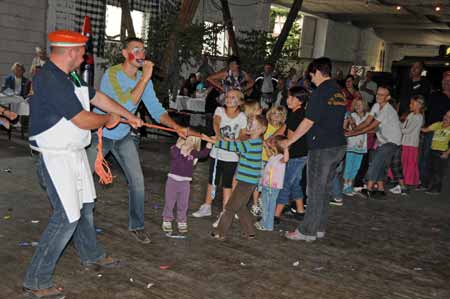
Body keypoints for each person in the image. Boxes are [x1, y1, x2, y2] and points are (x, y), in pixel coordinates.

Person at [23, 30, 143, 299]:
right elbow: (82, 119)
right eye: (82, 51)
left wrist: (126, 116)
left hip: (73, 153)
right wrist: (108, 120)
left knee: (86, 206)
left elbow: (97, 97)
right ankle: (36, 281)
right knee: (66, 218)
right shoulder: (50, 78)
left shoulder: (70, 76)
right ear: (71, 52)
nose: (84, 56)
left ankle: (91, 254)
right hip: (55, 157)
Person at [86, 37, 187, 244]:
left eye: (143, 50)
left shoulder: (144, 79)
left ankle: (137, 226)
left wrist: (175, 127)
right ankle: (75, 221)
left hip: (124, 136)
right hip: (101, 134)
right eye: (136, 49)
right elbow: (124, 103)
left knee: (138, 182)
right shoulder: (112, 74)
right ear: (125, 53)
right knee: (83, 179)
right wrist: (144, 78)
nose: (141, 54)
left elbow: (156, 110)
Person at [282, 57, 347, 242]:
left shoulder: (321, 93)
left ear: (317, 71)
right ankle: (319, 227)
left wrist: (289, 141)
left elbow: (308, 121)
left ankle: (307, 230)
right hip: (338, 145)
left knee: (315, 190)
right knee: (325, 189)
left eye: (311, 74)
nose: (311, 79)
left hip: (322, 147)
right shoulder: (338, 91)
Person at [192, 90, 247, 221]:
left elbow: (244, 134)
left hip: (232, 156)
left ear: (239, 102)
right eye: (227, 96)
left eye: (233, 97)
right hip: (217, 153)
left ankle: (225, 211)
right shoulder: (219, 111)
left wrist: (235, 140)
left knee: (227, 184)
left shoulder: (242, 117)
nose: (228, 99)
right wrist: (219, 136)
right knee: (212, 180)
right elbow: (216, 123)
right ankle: (206, 206)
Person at [211, 115, 267, 240]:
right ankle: (250, 232)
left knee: (230, 207)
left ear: (261, 129)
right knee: (240, 207)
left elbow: (235, 147)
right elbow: (238, 146)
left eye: (253, 124)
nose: (249, 126)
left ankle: (220, 232)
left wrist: (215, 142)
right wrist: (224, 140)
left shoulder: (252, 143)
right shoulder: (254, 142)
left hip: (246, 183)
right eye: (249, 123)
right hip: (247, 181)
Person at [347, 86, 402, 199]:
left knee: (376, 162)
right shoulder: (377, 106)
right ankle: (380, 190)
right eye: (377, 94)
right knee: (381, 164)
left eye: (382, 95)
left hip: (392, 141)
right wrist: (354, 130)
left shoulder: (387, 110)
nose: (378, 96)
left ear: (388, 97)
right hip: (383, 140)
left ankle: (369, 188)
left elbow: (371, 126)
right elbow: (367, 121)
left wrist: (353, 133)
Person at [162, 136, 212, 234]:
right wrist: (177, 146)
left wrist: (209, 144)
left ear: (194, 144)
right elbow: (173, 155)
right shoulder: (175, 149)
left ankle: (182, 220)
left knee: (183, 203)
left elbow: (203, 154)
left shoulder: (193, 153)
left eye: (191, 141)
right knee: (169, 202)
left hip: (185, 183)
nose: (188, 142)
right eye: (187, 139)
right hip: (172, 181)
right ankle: (167, 219)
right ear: (181, 140)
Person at [273, 87, 309, 223]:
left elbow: (289, 139)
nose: (288, 100)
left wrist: (284, 153)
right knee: (294, 183)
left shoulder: (298, 115)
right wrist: (270, 138)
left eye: (291, 98)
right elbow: (283, 128)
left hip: (296, 155)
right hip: (299, 154)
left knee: (286, 182)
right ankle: (300, 211)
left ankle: (276, 215)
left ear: (299, 101)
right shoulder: (295, 113)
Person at [251, 105, 286, 217]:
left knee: (267, 183)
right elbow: (260, 138)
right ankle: (255, 204)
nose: (276, 116)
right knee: (258, 182)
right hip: (262, 158)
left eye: (279, 115)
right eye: (274, 113)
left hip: (273, 162)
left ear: (283, 117)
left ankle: (262, 201)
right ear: (269, 114)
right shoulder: (266, 125)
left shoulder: (282, 129)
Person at [417, 70, 450, 190]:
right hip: (432, 131)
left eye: (449, 80)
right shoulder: (435, 95)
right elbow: (423, 110)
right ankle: (424, 182)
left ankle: (436, 184)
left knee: (442, 162)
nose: (447, 82)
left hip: (448, 134)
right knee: (426, 158)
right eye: (445, 80)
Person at [389, 95, 424, 192]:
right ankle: (400, 183)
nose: (410, 105)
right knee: (402, 163)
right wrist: (397, 122)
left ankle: (405, 184)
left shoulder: (419, 117)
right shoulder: (411, 115)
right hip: (404, 142)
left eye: (412, 103)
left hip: (411, 144)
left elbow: (407, 130)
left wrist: (397, 126)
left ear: (419, 105)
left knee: (409, 163)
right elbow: (403, 126)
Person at [254, 135, 289, 231]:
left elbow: (286, 159)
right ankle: (266, 224)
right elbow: (269, 154)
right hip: (267, 185)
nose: (271, 143)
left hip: (272, 186)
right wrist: (265, 146)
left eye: (273, 142)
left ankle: (267, 225)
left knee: (268, 205)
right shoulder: (274, 156)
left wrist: (286, 148)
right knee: (266, 204)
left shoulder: (281, 157)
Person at [342, 98, 369, 196]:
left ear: (365, 106)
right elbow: (345, 127)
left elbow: (360, 128)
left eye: (360, 104)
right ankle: (345, 186)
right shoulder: (352, 115)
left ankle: (350, 185)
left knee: (356, 167)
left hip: (361, 147)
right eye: (356, 104)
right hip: (351, 146)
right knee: (349, 166)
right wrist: (347, 120)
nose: (358, 106)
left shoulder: (367, 117)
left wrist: (352, 123)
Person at [420, 110, 450, 195]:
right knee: (431, 169)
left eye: (449, 117)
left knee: (438, 171)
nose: (446, 117)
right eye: (445, 115)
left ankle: (436, 189)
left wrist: (447, 153)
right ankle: (430, 186)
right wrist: (417, 123)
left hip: (441, 152)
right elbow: (425, 130)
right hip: (432, 150)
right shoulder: (438, 124)